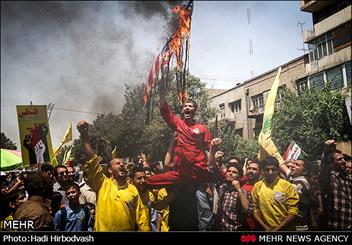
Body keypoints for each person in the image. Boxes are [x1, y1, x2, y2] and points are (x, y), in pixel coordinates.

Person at [146, 77, 221, 188]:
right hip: (181, 172)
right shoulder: (178, 123)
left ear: (195, 111)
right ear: (182, 111)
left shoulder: (202, 128)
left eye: (190, 106)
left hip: (199, 170)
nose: (187, 107)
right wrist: (162, 92)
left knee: (223, 177)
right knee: (149, 181)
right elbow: (166, 111)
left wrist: (215, 146)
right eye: (185, 106)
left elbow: (209, 148)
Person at [77, 120, 150, 231]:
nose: (122, 165)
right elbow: (92, 161)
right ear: (110, 170)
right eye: (118, 163)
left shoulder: (133, 190)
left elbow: (142, 218)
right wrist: (85, 138)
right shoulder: (102, 184)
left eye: (123, 163)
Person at [252, 156, 299, 231]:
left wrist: (278, 229)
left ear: (278, 170)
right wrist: (264, 227)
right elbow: (255, 209)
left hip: (285, 229)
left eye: (273, 169)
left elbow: (293, 211)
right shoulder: (257, 186)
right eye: (267, 170)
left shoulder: (287, 186)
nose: (270, 172)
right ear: (263, 171)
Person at [319, 139, 351, 231]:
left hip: (348, 223)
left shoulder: (348, 177)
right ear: (331, 163)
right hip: (334, 225)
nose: (344, 161)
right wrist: (327, 150)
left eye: (344, 158)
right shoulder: (329, 177)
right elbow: (323, 166)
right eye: (339, 159)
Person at [215, 162, 252, 231]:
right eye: (229, 171)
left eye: (234, 172)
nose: (230, 173)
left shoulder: (243, 193)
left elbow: (249, 210)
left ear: (240, 177)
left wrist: (238, 189)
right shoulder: (222, 188)